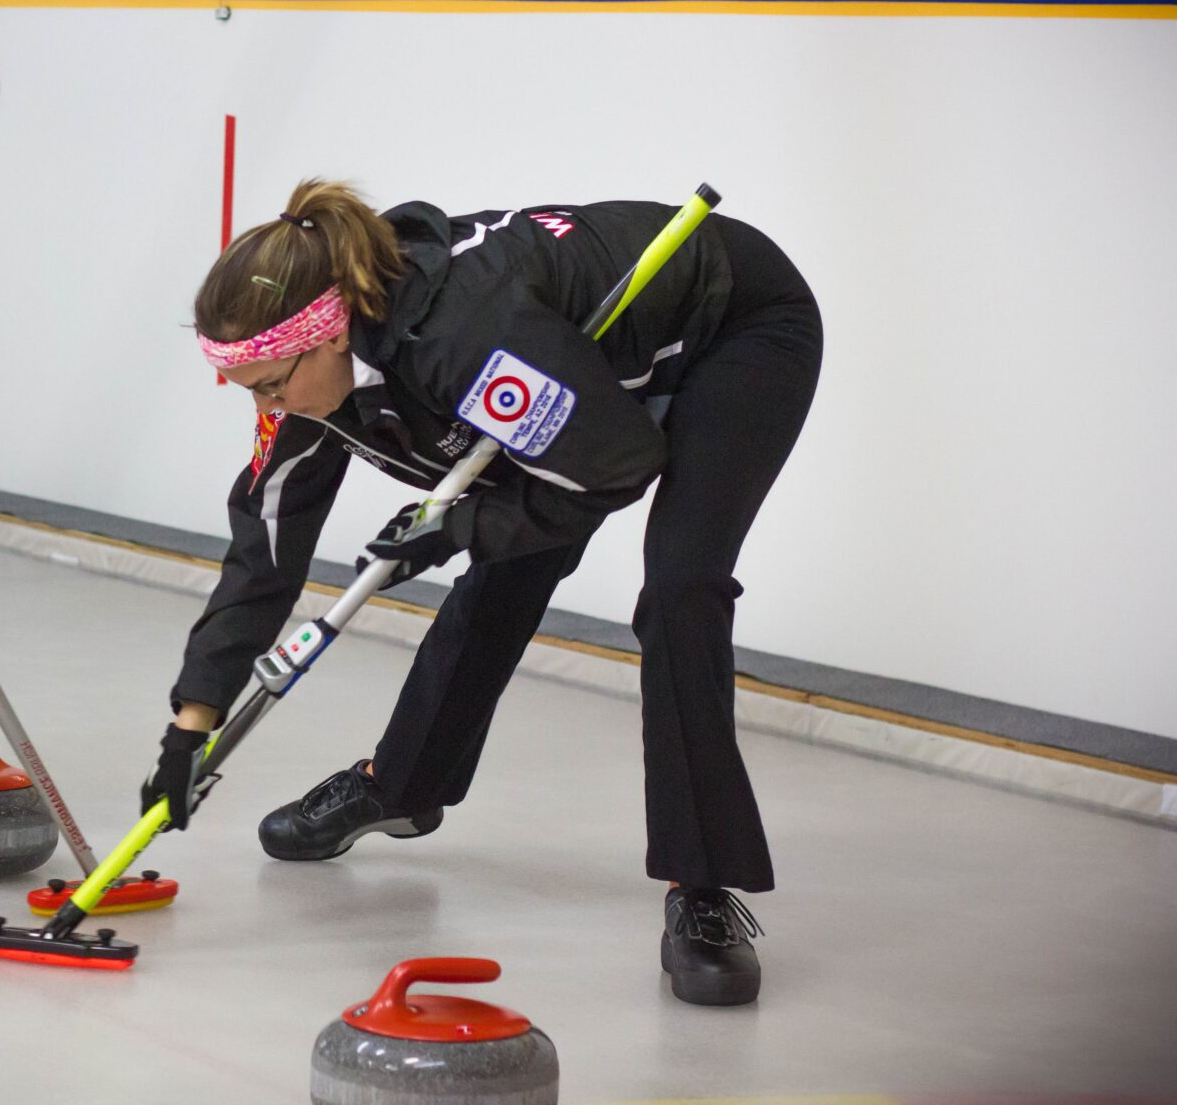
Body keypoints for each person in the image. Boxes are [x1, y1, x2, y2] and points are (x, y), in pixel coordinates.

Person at [142, 179, 821, 1005]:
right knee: (510, 557)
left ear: (328, 341)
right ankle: (402, 786)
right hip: (582, 366)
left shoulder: (460, 335)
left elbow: (619, 461)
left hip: (733, 329)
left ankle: (704, 886)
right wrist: (191, 726)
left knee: (680, 585)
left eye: (269, 384)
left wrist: (454, 528)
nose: (265, 405)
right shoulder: (308, 377)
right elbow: (264, 554)